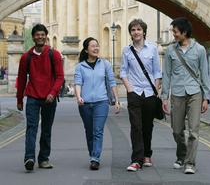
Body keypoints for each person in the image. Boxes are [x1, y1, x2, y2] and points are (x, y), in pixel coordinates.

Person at [161, 17, 210, 174]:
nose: (173, 34)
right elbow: (166, 74)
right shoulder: (170, 50)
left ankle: (190, 163)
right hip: (177, 94)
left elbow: (204, 74)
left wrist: (206, 98)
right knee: (177, 130)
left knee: (194, 131)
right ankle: (181, 155)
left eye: (175, 31)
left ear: (184, 32)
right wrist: (164, 97)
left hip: (195, 93)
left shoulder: (200, 49)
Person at [17, 24, 64, 172]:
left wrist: (53, 92)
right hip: (32, 97)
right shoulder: (26, 57)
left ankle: (43, 159)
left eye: (42, 34)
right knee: (31, 127)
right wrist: (19, 99)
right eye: (37, 35)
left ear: (46, 36)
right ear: (33, 37)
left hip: (50, 98)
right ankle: (29, 158)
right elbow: (22, 78)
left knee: (46, 129)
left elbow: (60, 77)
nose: (40, 37)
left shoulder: (54, 54)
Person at [120, 18, 162, 172]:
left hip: (150, 93)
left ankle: (147, 154)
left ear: (144, 31)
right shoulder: (126, 50)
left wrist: (156, 88)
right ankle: (136, 160)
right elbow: (123, 71)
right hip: (135, 92)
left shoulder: (152, 49)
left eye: (138, 29)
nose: (136, 32)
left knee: (147, 126)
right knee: (136, 126)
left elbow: (157, 71)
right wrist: (129, 88)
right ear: (130, 33)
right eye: (133, 30)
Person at [74, 37, 120, 170]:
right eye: (93, 46)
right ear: (86, 49)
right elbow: (78, 83)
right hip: (85, 104)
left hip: (101, 102)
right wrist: (79, 97)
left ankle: (95, 158)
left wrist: (116, 100)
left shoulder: (105, 64)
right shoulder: (80, 67)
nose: (96, 48)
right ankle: (93, 155)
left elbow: (112, 82)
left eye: (97, 46)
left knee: (98, 131)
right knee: (89, 131)